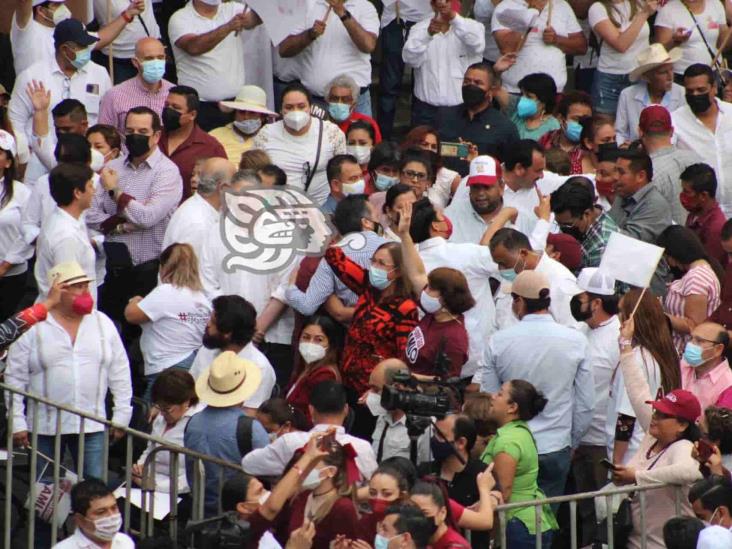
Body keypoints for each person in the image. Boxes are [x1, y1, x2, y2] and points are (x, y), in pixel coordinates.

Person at [6, 261, 132, 480]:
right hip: (44, 426)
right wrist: (17, 421)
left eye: (85, 285)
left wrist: (122, 414)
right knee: (44, 490)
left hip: (92, 424)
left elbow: (120, 370)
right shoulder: (33, 325)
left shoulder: (102, 322)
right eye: (77, 286)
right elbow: (14, 378)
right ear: (56, 291)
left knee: (94, 488)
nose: (85, 291)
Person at [479, 270, 594, 499]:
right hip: (555, 445)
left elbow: (489, 399)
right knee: (545, 521)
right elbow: (586, 404)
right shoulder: (576, 341)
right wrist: (572, 441)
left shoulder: (499, 341)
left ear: (519, 301)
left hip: (511, 447)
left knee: (510, 517)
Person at [86, 106, 182, 322]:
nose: (134, 137)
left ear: (156, 135)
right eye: (129, 132)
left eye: (142, 132)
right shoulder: (113, 166)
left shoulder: (166, 172)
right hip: (114, 267)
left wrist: (115, 191)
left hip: (148, 269)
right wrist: (121, 224)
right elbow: (90, 213)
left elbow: (148, 218)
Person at [615, 316, 704, 549]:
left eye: (664, 415)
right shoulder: (653, 435)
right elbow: (637, 390)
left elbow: (688, 471)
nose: (655, 416)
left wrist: (636, 477)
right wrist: (625, 345)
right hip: (634, 541)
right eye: (657, 410)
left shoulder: (683, 448)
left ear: (682, 425)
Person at [403, 197, 502, 378]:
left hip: (429, 356)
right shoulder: (466, 253)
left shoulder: (410, 262)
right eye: (442, 215)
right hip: (472, 365)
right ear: (436, 226)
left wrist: (404, 235)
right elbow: (508, 261)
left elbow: (416, 275)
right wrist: (505, 215)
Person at [324, 238, 418, 403]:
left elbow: (403, 357)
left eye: (381, 263)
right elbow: (337, 261)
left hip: (372, 390)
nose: (375, 267)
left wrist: (382, 389)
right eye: (373, 261)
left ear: (398, 271)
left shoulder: (406, 308)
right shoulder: (369, 287)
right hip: (346, 380)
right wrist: (332, 238)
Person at [568, 268, 620, 537]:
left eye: (581, 297)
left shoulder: (619, 337)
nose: (575, 302)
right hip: (578, 436)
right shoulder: (578, 331)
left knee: (604, 513)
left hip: (602, 441)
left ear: (596, 303)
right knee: (584, 510)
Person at [184, 350, 269, 516]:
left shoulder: (193, 422)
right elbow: (269, 470)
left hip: (200, 506)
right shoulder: (250, 427)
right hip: (238, 513)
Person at [124, 243, 211, 400]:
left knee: (154, 418)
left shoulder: (165, 292)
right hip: (191, 364)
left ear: (164, 267)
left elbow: (132, 316)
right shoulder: (201, 298)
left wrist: (135, 300)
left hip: (166, 367)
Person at [242, 380, 378, 479]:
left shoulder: (290, 442)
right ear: (346, 410)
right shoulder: (363, 447)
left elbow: (248, 464)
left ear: (311, 410)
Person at [397, 202, 474, 378]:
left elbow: (447, 382)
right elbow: (417, 273)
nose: (424, 291)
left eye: (431, 289)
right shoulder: (434, 315)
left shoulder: (453, 337)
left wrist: (410, 377)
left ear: (446, 298)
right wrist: (404, 235)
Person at [608, 288, 681, 467]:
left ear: (633, 318)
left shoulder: (637, 358)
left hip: (630, 454)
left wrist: (616, 461)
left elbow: (626, 417)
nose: (617, 317)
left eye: (620, 312)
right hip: (649, 448)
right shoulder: (666, 353)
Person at [8, 18, 112, 144]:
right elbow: (15, 121)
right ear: (64, 49)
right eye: (82, 46)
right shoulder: (31, 77)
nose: (87, 50)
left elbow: (108, 119)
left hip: (87, 157)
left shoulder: (99, 73)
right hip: (41, 158)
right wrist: (24, 154)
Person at [482, 379, 558, 547]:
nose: (493, 397)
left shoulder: (508, 441)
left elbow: (503, 492)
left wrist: (490, 535)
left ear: (512, 407)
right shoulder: (519, 431)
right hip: (528, 523)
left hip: (517, 526)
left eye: (500, 393)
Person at [285, 195, 386, 320]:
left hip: (354, 331)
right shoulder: (394, 249)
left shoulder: (331, 257)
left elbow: (307, 306)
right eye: (377, 217)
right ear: (366, 222)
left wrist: (290, 289)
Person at [167, 0, 262, 131]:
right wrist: (228, 27)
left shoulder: (233, 8)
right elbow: (194, 47)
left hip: (235, 104)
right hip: (201, 107)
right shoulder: (180, 18)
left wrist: (261, 12)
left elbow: (252, 19)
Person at [278, 0, 379, 116]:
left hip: (353, 102)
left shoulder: (364, 7)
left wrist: (343, 13)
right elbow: (284, 50)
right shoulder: (306, 5)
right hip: (316, 101)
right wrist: (310, 34)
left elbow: (368, 45)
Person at [253, 83, 347, 205]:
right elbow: (254, 173)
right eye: (289, 107)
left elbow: (342, 173)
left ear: (310, 108)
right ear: (281, 110)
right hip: (276, 207)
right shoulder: (266, 134)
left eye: (301, 106)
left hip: (321, 207)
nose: (295, 111)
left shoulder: (331, 133)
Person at [402, 0, 485, 128]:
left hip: (461, 109)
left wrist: (453, 18)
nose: (444, 4)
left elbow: (477, 45)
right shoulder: (419, 28)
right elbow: (409, 59)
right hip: (425, 110)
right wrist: (427, 34)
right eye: (439, 1)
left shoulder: (473, 26)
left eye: (448, 1)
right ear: (432, 5)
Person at [189, 295, 276, 414]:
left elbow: (249, 414)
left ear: (227, 333)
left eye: (213, 322)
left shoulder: (260, 367)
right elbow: (189, 391)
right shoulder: (207, 350)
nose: (207, 324)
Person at [10, 0, 143, 75]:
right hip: (34, 97)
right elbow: (23, 4)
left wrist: (128, 14)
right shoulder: (26, 29)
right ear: (40, 10)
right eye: (56, 5)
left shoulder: (67, 29)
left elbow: (100, 38)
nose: (63, 8)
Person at [445, 155, 549, 246]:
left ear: (501, 187)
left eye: (487, 187)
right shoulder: (450, 216)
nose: (481, 193)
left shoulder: (522, 218)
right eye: (475, 187)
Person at [437, 61, 520, 175]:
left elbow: (510, 168)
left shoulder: (504, 127)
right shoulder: (444, 116)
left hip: (481, 187)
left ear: (490, 91)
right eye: (467, 81)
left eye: (478, 83)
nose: (471, 86)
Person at [609, 149, 673, 295]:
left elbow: (626, 241)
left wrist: (595, 220)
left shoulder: (655, 205)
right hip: (622, 278)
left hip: (646, 290)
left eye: (621, 172)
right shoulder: (622, 196)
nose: (614, 177)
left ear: (641, 176)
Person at [672, 63, 732, 217]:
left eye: (701, 90)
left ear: (714, 88)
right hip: (702, 213)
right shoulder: (676, 121)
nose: (695, 95)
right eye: (690, 91)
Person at [489, 228, 580, 328]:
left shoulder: (560, 282)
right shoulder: (514, 274)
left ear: (523, 254)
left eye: (503, 263)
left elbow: (572, 330)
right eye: (498, 264)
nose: (500, 269)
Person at [34, 162, 99, 302]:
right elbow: (69, 292)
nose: (94, 191)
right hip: (68, 316)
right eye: (90, 186)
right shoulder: (65, 236)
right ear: (77, 193)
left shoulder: (66, 220)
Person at [133, 369, 203, 494]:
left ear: (186, 402)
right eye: (159, 407)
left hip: (176, 493)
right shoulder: (161, 415)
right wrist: (140, 468)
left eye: (167, 408)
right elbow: (150, 449)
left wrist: (155, 486)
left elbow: (193, 475)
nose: (162, 413)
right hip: (147, 481)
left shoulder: (198, 425)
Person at [492, 0, 585, 95]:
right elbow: (508, 48)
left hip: (554, 91)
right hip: (517, 91)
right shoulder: (506, 7)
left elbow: (581, 46)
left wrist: (557, 40)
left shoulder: (561, 5)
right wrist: (533, 12)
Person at [161, 158, 237, 265]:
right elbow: (189, 275)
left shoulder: (201, 209)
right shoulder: (199, 224)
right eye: (235, 184)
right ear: (223, 188)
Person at [658, 225, 721, 352]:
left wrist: (661, 315)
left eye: (667, 257)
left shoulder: (696, 278)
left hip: (687, 352)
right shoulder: (697, 273)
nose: (668, 262)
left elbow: (693, 324)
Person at [159, 86, 227, 200]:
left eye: (176, 108)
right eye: (166, 106)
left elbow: (223, 187)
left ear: (192, 115)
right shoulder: (153, 137)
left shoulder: (211, 148)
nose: (169, 111)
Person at [587, 0, 655, 113]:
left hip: (640, 74)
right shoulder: (597, 8)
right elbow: (621, 45)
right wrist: (644, 13)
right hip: (611, 79)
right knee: (607, 126)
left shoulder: (638, 3)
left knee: (639, 123)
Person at [639, 105, 701, 225]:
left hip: (666, 242)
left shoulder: (647, 174)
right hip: (701, 239)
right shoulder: (696, 159)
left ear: (640, 132)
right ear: (672, 131)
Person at [98, 37, 174, 135]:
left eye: (160, 58)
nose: (156, 63)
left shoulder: (174, 93)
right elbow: (104, 136)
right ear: (135, 62)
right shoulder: (114, 95)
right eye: (149, 59)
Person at [616, 44, 686, 145]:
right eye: (663, 72)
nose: (670, 76)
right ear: (647, 77)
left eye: (671, 70)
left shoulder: (682, 94)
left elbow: (683, 135)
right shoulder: (628, 95)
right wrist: (623, 146)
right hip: (637, 155)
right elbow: (620, 132)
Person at [550, 177, 619, 269]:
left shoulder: (601, 247)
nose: (562, 229)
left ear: (587, 214)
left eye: (568, 225)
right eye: (558, 223)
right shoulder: (580, 222)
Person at [286, 315, 343, 423]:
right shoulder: (303, 368)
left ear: (330, 344)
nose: (310, 343)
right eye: (306, 337)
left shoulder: (325, 375)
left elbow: (312, 418)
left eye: (319, 340)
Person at [0, 130, 32, 319]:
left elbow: (28, 233)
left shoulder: (22, 193)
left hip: (11, 276)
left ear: (8, 162)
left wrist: (4, 266)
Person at [654, 0, 729, 79]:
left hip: (713, 72)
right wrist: (675, 41)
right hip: (682, 75)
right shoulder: (667, 10)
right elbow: (659, 51)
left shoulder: (716, 4)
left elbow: (722, 43)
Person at [52, 478, 133, 548]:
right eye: (101, 512)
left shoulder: (124, 542)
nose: (112, 516)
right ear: (80, 519)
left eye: (114, 508)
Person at [211, 85, 277, 165]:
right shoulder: (215, 136)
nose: (246, 117)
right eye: (241, 112)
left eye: (252, 113)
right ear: (235, 113)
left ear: (262, 117)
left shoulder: (271, 138)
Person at [400, 125, 461, 209]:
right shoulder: (399, 168)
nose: (429, 149)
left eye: (433, 147)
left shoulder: (449, 176)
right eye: (424, 144)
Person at [682, 163, 728, 267]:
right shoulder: (694, 214)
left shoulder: (715, 228)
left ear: (703, 195)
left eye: (687, 192)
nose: (682, 196)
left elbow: (708, 269)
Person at [678, 322, 732, 410]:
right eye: (691, 338)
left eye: (699, 341)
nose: (690, 345)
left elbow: (718, 423)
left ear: (718, 349)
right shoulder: (682, 364)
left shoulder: (728, 386)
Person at [538, 91, 594, 175]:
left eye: (586, 120)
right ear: (561, 119)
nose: (582, 124)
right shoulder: (544, 141)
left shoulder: (592, 149)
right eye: (576, 119)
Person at [499, 73, 561, 142]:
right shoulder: (515, 115)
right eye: (522, 94)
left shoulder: (553, 126)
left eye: (529, 96)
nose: (523, 98)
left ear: (543, 101)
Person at [410, 481, 471, 549]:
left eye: (425, 513)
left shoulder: (456, 546)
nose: (418, 518)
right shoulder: (420, 542)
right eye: (413, 512)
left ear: (442, 513)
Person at [326, 74, 382, 142]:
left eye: (345, 100)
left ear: (354, 104)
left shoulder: (368, 123)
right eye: (334, 99)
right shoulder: (319, 123)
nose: (339, 103)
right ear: (327, 100)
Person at [346, 121, 377, 191]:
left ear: (373, 146)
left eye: (362, 143)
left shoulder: (378, 173)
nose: (356, 147)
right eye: (351, 143)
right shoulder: (340, 173)